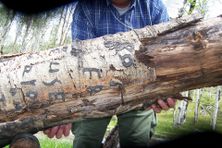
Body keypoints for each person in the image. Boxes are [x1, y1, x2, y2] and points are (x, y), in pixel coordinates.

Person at [44, 0, 176, 148]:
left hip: (140, 92)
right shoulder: (87, 7)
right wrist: (66, 105)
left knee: (136, 139)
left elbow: (166, 59)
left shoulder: (154, 7)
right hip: (96, 92)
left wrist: (168, 87)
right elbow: (79, 64)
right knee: (86, 139)